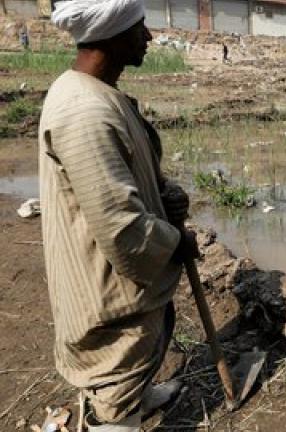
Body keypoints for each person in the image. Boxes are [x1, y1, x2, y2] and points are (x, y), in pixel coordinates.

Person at [44, 3, 197, 431]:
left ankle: (139, 397)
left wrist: (163, 194)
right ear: (111, 36)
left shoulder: (97, 94)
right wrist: (177, 242)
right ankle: (115, 420)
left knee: (136, 357)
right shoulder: (85, 113)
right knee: (115, 367)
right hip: (106, 279)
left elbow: (126, 173)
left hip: (110, 267)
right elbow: (121, 226)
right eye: (139, 28)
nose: (147, 38)